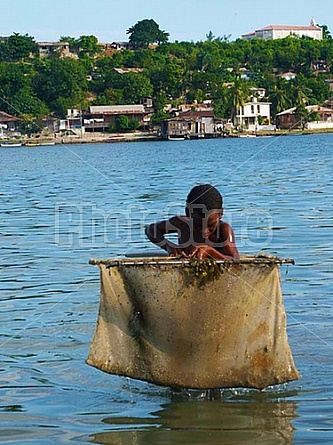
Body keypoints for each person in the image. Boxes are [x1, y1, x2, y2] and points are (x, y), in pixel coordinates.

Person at [145, 184, 239, 260]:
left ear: (220, 214)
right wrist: (168, 246)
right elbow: (151, 229)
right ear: (188, 213)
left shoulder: (223, 229)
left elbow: (235, 260)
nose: (204, 231)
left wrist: (210, 252)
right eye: (198, 225)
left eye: (210, 225)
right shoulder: (182, 224)